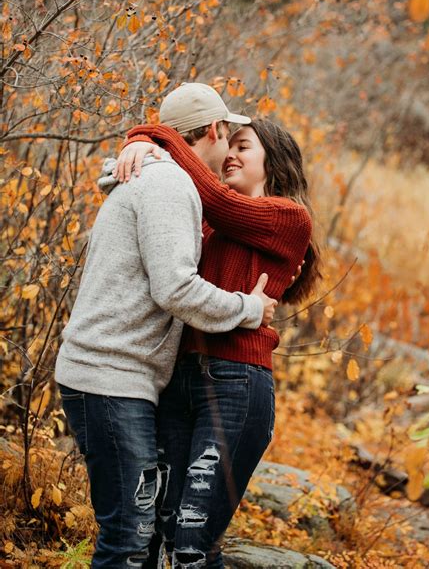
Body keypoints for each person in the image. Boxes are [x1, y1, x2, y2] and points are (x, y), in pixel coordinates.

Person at [54, 82, 279, 569]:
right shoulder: (169, 184)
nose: (229, 152)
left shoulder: (156, 177)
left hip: (116, 377)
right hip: (110, 378)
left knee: (138, 537)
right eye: (230, 137)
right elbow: (175, 289)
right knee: (129, 540)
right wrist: (249, 309)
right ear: (215, 130)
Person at [116, 104, 321, 568]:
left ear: (276, 160)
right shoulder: (211, 222)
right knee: (156, 533)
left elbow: (218, 200)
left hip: (237, 384)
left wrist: (151, 135)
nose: (230, 155)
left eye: (243, 146)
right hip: (178, 381)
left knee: (192, 542)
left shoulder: (289, 217)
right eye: (228, 145)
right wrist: (145, 149)